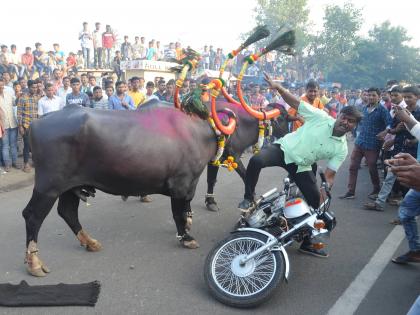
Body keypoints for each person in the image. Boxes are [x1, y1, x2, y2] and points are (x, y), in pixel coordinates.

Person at [238, 73, 362, 257]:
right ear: (339, 115)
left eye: (351, 122)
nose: (346, 123)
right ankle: (249, 198)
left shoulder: (342, 149)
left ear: (354, 126)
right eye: (344, 118)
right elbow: (296, 104)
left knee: (317, 207)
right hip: (284, 149)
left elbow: (330, 175)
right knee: (256, 160)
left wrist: (323, 193)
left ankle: (307, 242)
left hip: (301, 166)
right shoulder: (321, 116)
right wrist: (278, 88)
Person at [340, 87, 392, 199]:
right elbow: (357, 122)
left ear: (379, 97)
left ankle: (376, 189)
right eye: (369, 95)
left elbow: (390, 123)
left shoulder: (382, 110)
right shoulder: (363, 109)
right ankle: (350, 192)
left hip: (373, 144)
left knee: (372, 167)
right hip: (360, 142)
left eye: (373, 95)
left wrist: (384, 132)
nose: (371, 97)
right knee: (353, 166)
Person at [17, 80, 39, 172]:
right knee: (26, 145)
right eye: (33, 87)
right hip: (26, 126)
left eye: (36, 87)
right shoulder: (23, 98)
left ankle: (34, 162)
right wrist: (20, 126)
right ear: (28, 87)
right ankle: (26, 164)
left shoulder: (37, 98)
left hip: (36, 126)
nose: (35, 89)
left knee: (34, 146)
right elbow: (19, 114)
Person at [0, 78, 18, 171]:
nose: (1, 87)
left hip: (13, 123)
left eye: (2, 85)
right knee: (5, 145)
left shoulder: (9, 94)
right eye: (0, 86)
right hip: (3, 126)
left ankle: (15, 162)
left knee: (14, 144)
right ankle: (7, 164)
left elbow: (15, 104)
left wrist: (18, 96)